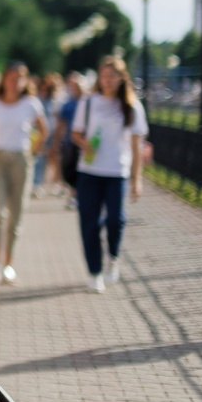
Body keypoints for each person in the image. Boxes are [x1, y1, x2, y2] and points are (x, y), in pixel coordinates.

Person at [71, 56, 148, 293]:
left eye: (112, 75)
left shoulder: (132, 106)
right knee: (89, 223)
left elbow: (136, 146)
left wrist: (137, 179)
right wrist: (85, 144)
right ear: (99, 77)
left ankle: (113, 256)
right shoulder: (89, 102)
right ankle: (95, 272)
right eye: (104, 75)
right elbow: (75, 133)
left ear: (121, 78)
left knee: (116, 220)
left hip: (117, 171)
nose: (108, 80)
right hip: (89, 171)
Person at [0, 61, 46, 284]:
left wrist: (32, 151)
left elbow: (43, 130)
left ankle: (8, 263)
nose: (15, 82)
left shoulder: (30, 104)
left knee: (16, 212)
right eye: (11, 77)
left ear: (25, 81)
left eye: (20, 78)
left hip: (20, 158)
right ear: (4, 79)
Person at [53, 73, 86, 208]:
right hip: (71, 142)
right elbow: (61, 124)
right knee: (71, 170)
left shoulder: (88, 103)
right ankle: (73, 194)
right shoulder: (68, 104)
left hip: (86, 143)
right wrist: (56, 142)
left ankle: (79, 195)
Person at [33, 73, 63, 195]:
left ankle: (51, 182)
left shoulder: (55, 101)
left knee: (51, 159)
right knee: (39, 158)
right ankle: (37, 183)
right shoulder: (37, 99)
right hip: (39, 132)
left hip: (53, 133)